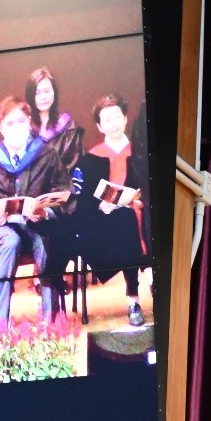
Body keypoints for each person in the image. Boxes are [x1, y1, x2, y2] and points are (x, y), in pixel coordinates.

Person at [0, 96, 69, 323]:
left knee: (46, 243)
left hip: (37, 226)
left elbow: (63, 194)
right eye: (9, 123)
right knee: (10, 241)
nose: (16, 128)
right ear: (1, 128)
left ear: (29, 122)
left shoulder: (46, 155)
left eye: (21, 121)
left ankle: (50, 320)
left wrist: (44, 212)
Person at [67, 93, 148, 327]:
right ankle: (135, 297)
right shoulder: (90, 160)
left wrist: (138, 198)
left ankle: (137, 295)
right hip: (105, 224)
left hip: (142, 216)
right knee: (126, 220)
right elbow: (81, 201)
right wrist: (100, 205)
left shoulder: (141, 154)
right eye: (107, 119)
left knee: (133, 219)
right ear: (100, 127)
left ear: (125, 119)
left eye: (117, 117)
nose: (113, 123)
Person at [25, 66, 83, 174]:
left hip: (61, 183)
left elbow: (73, 167)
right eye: (37, 93)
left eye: (47, 91)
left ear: (54, 92)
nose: (43, 97)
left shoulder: (68, 128)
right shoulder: (24, 128)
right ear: (30, 96)